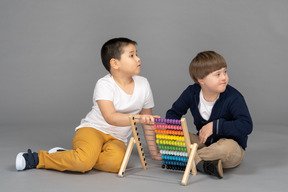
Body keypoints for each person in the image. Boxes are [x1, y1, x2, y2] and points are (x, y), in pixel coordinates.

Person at [16, 37, 161, 173]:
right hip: (93, 129)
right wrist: (138, 118)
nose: (138, 58)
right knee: (83, 163)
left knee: (117, 164)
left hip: (117, 139)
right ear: (115, 63)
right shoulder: (104, 84)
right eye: (132, 55)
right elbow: (111, 117)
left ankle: (71, 156)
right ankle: (38, 159)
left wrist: (154, 152)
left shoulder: (144, 84)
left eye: (137, 54)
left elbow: (148, 121)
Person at [166, 51, 253, 179]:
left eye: (225, 72)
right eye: (217, 74)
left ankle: (188, 158)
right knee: (170, 137)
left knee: (226, 149)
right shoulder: (191, 93)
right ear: (201, 79)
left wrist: (215, 126)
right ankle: (203, 164)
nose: (224, 77)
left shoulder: (234, 97)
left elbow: (246, 125)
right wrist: (173, 133)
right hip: (203, 143)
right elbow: (172, 113)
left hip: (230, 147)